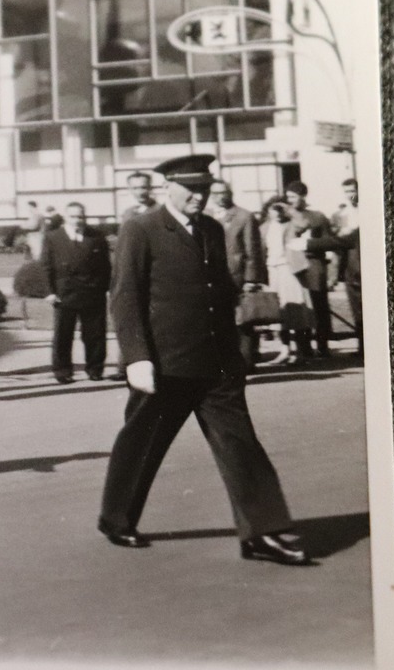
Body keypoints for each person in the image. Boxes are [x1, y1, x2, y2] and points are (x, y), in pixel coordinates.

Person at [97, 154, 309, 565]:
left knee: (241, 445)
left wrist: (236, 349)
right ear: (168, 188)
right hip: (165, 363)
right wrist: (137, 358)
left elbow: (218, 289)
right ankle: (116, 519)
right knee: (142, 443)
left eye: (206, 189)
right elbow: (125, 297)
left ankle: (261, 533)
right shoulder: (140, 229)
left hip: (216, 362)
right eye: (192, 189)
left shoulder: (212, 228)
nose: (200, 196)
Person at [41, 201, 111, 383]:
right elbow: (46, 266)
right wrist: (50, 292)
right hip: (65, 294)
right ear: (65, 217)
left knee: (95, 335)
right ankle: (62, 371)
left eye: (81, 216)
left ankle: (95, 369)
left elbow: (105, 266)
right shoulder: (53, 237)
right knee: (63, 335)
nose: (77, 220)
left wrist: (106, 288)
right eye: (73, 216)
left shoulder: (96, 236)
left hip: (92, 292)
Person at [208, 180, 268, 366]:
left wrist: (251, 279)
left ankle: (246, 360)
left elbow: (253, 251)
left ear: (231, 193)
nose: (221, 196)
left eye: (224, 192)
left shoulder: (244, 216)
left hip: (237, 276)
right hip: (211, 276)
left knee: (244, 320)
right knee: (218, 320)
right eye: (216, 193)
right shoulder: (204, 215)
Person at [282, 180, 334, 358]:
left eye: (293, 197)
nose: (290, 201)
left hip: (313, 263)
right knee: (299, 305)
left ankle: (323, 344)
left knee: (319, 303)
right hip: (292, 264)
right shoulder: (285, 215)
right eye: (288, 197)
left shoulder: (317, 217)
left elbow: (329, 241)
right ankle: (304, 347)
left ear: (303, 196)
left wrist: (311, 244)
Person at [260, 197, 313, 365]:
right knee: (277, 312)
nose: (276, 212)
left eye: (279, 208)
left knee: (297, 310)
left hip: (289, 270)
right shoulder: (264, 228)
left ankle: (302, 351)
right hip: (271, 270)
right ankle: (284, 349)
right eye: (272, 208)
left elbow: (304, 223)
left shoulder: (292, 225)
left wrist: (290, 210)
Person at [315, 176, 363, 358]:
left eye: (352, 191)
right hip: (349, 265)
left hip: (366, 262)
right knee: (356, 307)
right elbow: (335, 242)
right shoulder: (340, 215)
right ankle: (362, 345)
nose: (350, 195)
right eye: (347, 192)